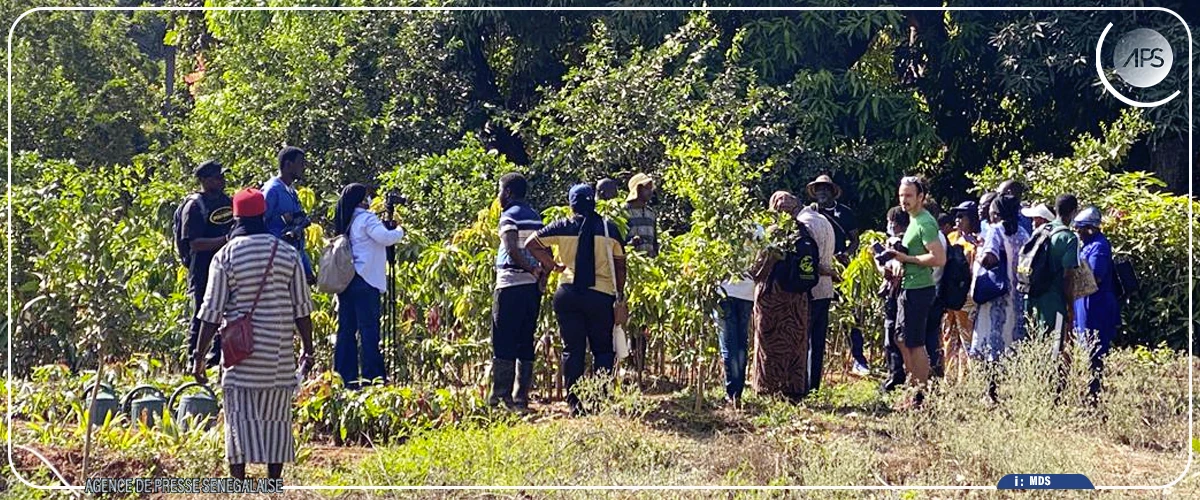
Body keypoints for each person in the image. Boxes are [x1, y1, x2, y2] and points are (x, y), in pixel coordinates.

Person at [192, 188, 315, 481]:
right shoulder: (287, 254)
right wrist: (308, 349)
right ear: (262, 215)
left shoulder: (225, 256)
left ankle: (239, 483)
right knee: (277, 420)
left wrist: (199, 356)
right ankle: (273, 483)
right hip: (278, 356)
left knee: (238, 419)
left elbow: (211, 312)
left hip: (240, 357)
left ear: (236, 217)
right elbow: (302, 309)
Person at [526, 184, 627, 416]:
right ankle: (601, 400)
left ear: (571, 204)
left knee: (573, 350)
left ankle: (575, 404)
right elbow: (621, 265)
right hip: (600, 295)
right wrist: (619, 293)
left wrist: (553, 265)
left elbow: (532, 243)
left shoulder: (562, 226)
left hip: (568, 293)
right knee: (603, 349)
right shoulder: (609, 229)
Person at [331, 184, 405, 389]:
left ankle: (345, 377)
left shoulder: (347, 219)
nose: (369, 200)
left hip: (348, 281)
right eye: (367, 196)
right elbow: (386, 238)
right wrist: (399, 230)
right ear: (361, 200)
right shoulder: (366, 218)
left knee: (346, 330)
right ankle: (373, 377)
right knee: (369, 331)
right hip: (366, 280)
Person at [880, 176, 946, 406]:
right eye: (901, 195)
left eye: (909, 195)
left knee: (914, 343)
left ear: (921, 197)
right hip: (907, 286)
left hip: (919, 289)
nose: (904, 200)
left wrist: (905, 258)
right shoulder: (913, 220)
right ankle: (913, 389)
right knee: (901, 339)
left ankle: (920, 395)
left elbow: (938, 258)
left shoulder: (925, 222)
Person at [490, 173, 545, 411]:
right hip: (531, 288)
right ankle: (521, 397)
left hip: (510, 284)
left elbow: (512, 248)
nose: (499, 196)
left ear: (509, 193)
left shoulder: (509, 216)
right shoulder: (535, 217)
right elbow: (544, 249)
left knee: (503, 339)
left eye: (500, 190)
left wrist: (530, 268)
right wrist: (541, 275)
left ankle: (501, 398)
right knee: (525, 339)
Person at [749, 191, 811, 400]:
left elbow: (759, 269)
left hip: (772, 297)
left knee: (769, 342)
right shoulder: (803, 231)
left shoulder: (772, 233)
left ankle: (767, 388)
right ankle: (794, 388)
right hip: (798, 299)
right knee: (795, 343)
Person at [969, 195, 1030, 400]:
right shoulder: (1022, 233)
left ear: (997, 213)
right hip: (1017, 295)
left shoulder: (996, 230)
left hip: (997, 295)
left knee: (992, 338)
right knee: (1011, 339)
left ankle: (991, 391)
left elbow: (990, 258)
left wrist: (978, 253)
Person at [181, 160, 234, 369]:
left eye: (223, 176)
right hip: (203, 268)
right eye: (217, 177)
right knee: (202, 313)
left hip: (227, 266)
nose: (222, 180)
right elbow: (194, 243)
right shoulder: (195, 206)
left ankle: (217, 359)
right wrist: (225, 241)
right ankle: (194, 360)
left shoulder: (227, 201)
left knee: (227, 312)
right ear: (204, 180)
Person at [1072, 207, 1118, 402]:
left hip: (1096, 304)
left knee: (1095, 348)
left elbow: (1096, 276)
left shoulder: (1099, 246)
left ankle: (1094, 390)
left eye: (1080, 229)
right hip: (1085, 302)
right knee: (1085, 345)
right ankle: (1088, 387)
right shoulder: (1087, 245)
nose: (1078, 233)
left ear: (1090, 229)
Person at [716, 224, 762, 408]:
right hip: (747, 293)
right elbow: (767, 257)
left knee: (729, 345)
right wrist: (754, 276)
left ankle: (732, 392)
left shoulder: (722, 224)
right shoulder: (759, 229)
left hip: (725, 292)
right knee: (741, 344)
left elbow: (715, 257)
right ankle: (738, 392)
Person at [1028, 194, 1080, 347]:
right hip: (1054, 301)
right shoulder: (1069, 238)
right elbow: (1068, 277)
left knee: (1035, 344)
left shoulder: (1041, 230)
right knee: (1054, 348)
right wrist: (1070, 307)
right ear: (1074, 212)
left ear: (1055, 210)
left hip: (1032, 296)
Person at [797, 202, 836, 396]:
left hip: (810, 289)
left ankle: (802, 386)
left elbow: (809, 260)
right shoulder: (825, 221)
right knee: (817, 342)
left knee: (803, 339)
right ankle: (814, 388)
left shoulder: (803, 223)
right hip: (826, 289)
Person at [264, 146, 315, 285]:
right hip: (277, 261)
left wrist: (307, 268)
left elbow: (296, 232)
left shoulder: (291, 192)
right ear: (288, 164)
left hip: (294, 257)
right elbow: (261, 224)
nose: (303, 168)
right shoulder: (272, 191)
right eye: (300, 163)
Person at [942, 201, 980, 382]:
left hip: (966, 298)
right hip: (950, 298)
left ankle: (967, 380)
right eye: (956, 216)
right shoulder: (951, 238)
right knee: (949, 336)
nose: (957, 220)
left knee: (967, 340)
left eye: (962, 216)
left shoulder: (977, 243)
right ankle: (949, 379)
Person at [879, 206, 910, 393]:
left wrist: (880, 263)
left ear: (894, 224)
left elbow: (891, 271)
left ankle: (896, 378)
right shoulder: (909, 241)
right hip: (901, 294)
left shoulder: (898, 243)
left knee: (892, 338)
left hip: (896, 295)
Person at [807, 174, 859, 265]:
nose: (822, 192)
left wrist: (845, 254)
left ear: (832, 192)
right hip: (816, 262)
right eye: (819, 190)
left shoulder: (845, 212)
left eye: (825, 189)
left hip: (838, 262)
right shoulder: (811, 212)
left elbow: (855, 240)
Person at [625, 173, 658, 257]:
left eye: (650, 188)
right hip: (630, 260)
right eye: (646, 188)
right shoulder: (623, 212)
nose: (650, 192)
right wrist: (630, 244)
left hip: (649, 263)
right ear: (638, 189)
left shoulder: (651, 214)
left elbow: (654, 242)